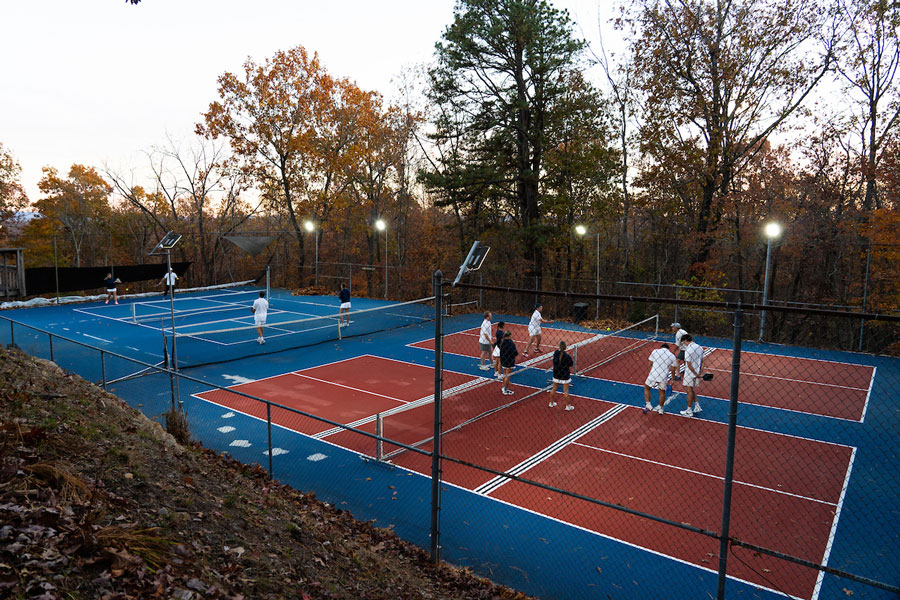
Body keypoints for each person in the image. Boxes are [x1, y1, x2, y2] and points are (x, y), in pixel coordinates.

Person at [644, 343, 677, 414]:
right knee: (662, 392)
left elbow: (650, 363)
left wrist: (651, 372)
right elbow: (673, 369)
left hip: (653, 374)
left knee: (647, 388)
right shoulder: (672, 356)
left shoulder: (655, 351)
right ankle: (661, 409)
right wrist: (673, 379)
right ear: (668, 349)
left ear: (661, 347)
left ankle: (648, 404)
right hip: (663, 376)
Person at [679, 334, 704, 417]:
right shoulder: (699, 347)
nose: (684, 344)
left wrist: (695, 373)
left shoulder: (688, 350)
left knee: (688, 391)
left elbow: (688, 364)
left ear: (686, 340)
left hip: (690, 373)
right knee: (691, 389)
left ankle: (689, 411)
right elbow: (702, 361)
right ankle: (697, 406)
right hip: (696, 372)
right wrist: (699, 372)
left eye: (683, 342)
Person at [548, 341, 575, 411]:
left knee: (554, 388)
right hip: (565, 375)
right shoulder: (567, 356)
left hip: (556, 374)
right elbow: (571, 364)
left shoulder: (556, 353)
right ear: (565, 347)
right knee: (566, 391)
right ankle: (567, 406)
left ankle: (551, 402)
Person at [499, 330, 518, 396]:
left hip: (503, 360)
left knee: (504, 373)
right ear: (510, 336)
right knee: (508, 375)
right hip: (510, 360)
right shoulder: (511, 343)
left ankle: (503, 386)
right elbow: (515, 352)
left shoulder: (502, 342)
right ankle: (505, 389)